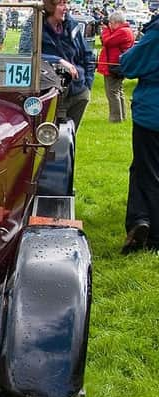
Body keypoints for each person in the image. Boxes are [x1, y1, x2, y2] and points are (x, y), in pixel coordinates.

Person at [118, 14, 159, 253]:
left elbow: (130, 64)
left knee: (147, 172)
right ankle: (139, 220)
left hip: (153, 114)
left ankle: (150, 232)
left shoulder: (155, 35)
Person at [41, 0, 95, 131]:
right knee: (49, 141)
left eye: (66, 3)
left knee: (69, 138)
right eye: (62, 4)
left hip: (78, 92)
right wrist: (58, 60)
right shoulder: (35, 25)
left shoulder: (72, 25)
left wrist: (87, 84)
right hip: (51, 94)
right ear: (50, 6)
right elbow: (26, 55)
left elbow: (87, 55)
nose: (66, 8)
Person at [96, 11, 134, 123]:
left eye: (111, 23)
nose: (110, 25)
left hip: (114, 66)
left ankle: (115, 118)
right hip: (117, 65)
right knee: (118, 91)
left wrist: (106, 30)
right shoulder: (126, 30)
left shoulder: (122, 32)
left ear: (116, 22)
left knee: (112, 92)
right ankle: (121, 116)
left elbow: (107, 41)